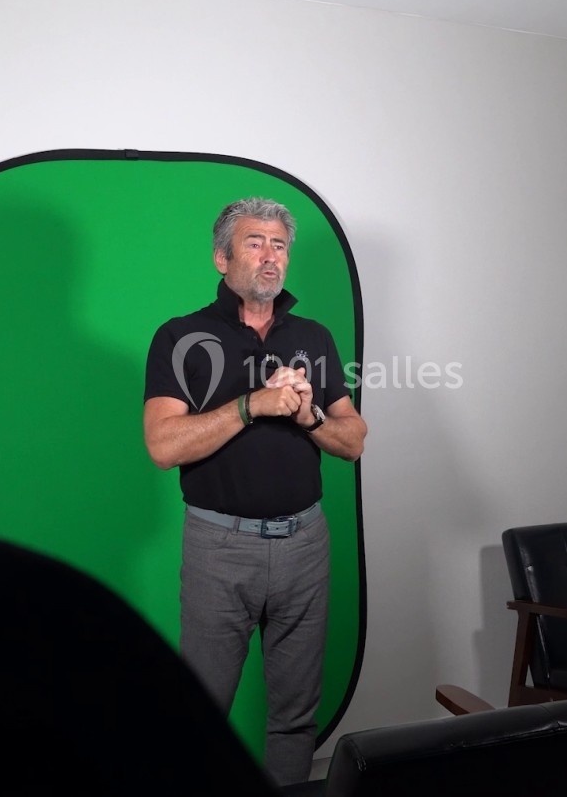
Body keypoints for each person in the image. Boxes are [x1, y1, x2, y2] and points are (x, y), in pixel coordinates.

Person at [142, 197, 367, 786]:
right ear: (222, 257)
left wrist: (309, 415)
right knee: (199, 711)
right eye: (255, 242)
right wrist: (252, 405)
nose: (271, 256)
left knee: (296, 716)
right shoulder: (180, 336)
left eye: (280, 245)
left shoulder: (314, 337)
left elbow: (353, 440)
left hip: (306, 544)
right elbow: (163, 445)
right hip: (220, 549)